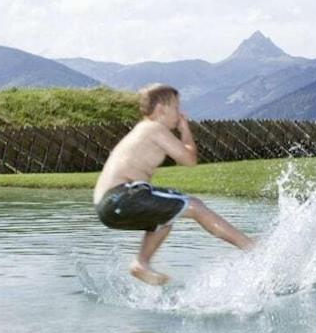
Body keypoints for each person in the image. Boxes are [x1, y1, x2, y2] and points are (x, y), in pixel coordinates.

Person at [93, 83, 254, 285]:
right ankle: (251, 247)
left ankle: (141, 263)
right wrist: (185, 130)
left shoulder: (143, 130)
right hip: (121, 196)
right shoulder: (154, 128)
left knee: (164, 220)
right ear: (161, 109)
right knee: (194, 205)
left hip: (108, 208)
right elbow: (189, 159)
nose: (180, 113)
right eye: (176, 107)